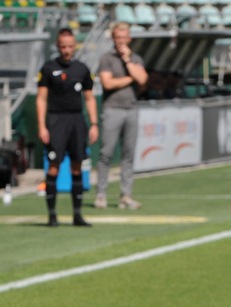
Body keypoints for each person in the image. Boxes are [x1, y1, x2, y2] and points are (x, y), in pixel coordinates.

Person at [36, 28, 99, 227]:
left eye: (70, 46)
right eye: (63, 46)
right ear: (58, 46)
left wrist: (94, 123)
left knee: (77, 165)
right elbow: (41, 98)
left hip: (76, 121)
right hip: (56, 121)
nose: (66, 50)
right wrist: (42, 126)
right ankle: (52, 215)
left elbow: (89, 98)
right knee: (54, 165)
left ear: (75, 46)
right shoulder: (48, 68)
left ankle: (77, 215)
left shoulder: (82, 69)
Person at [94, 22, 148, 210]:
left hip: (131, 108)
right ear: (113, 38)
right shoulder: (106, 58)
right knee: (106, 154)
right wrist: (130, 77)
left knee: (129, 155)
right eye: (118, 38)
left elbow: (142, 79)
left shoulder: (136, 58)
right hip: (112, 109)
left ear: (129, 38)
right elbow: (107, 83)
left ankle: (126, 195)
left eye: (124, 38)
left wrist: (127, 61)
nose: (121, 42)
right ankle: (101, 194)